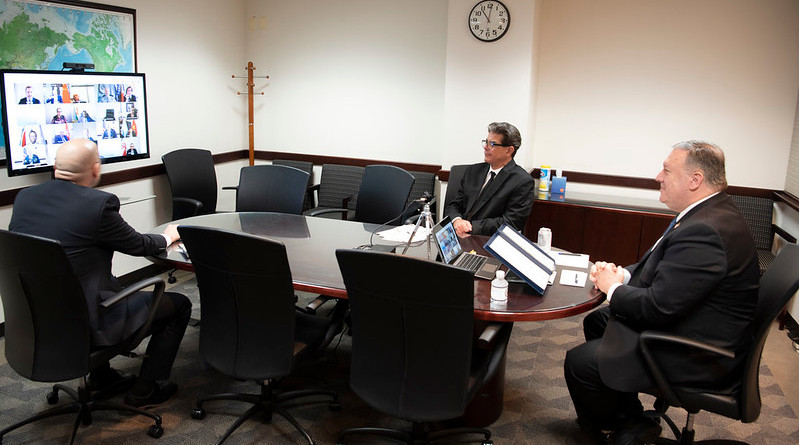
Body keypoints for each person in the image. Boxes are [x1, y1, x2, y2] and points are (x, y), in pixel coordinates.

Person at [563, 141, 760, 445]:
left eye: (667, 170)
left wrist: (612, 287)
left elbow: (658, 307)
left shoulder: (706, 229)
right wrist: (622, 275)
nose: (658, 176)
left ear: (695, 180)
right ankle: (627, 414)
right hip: (701, 325)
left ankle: (622, 424)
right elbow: (661, 269)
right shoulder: (709, 211)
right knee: (599, 321)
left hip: (699, 352)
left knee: (580, 363)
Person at [9, 139, 192, 408]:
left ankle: (102, 377)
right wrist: (167, 237)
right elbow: (139, 245)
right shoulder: (99, 204)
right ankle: (145, 390)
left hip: (37, 319)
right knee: (179, 305)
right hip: (87, 321)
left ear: (55, 166)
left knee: (104, 286)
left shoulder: (25, 197)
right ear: (95, 169)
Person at [444, 121, 535, 237]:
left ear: (509, 150)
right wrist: (457, 220)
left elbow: (512, 222)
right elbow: (454, 204)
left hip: (488, 240)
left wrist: (470, 227)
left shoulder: (522, 181)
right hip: (457, 235)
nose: (486, 147)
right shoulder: (473, 171)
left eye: (492, 144)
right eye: (486, 142)